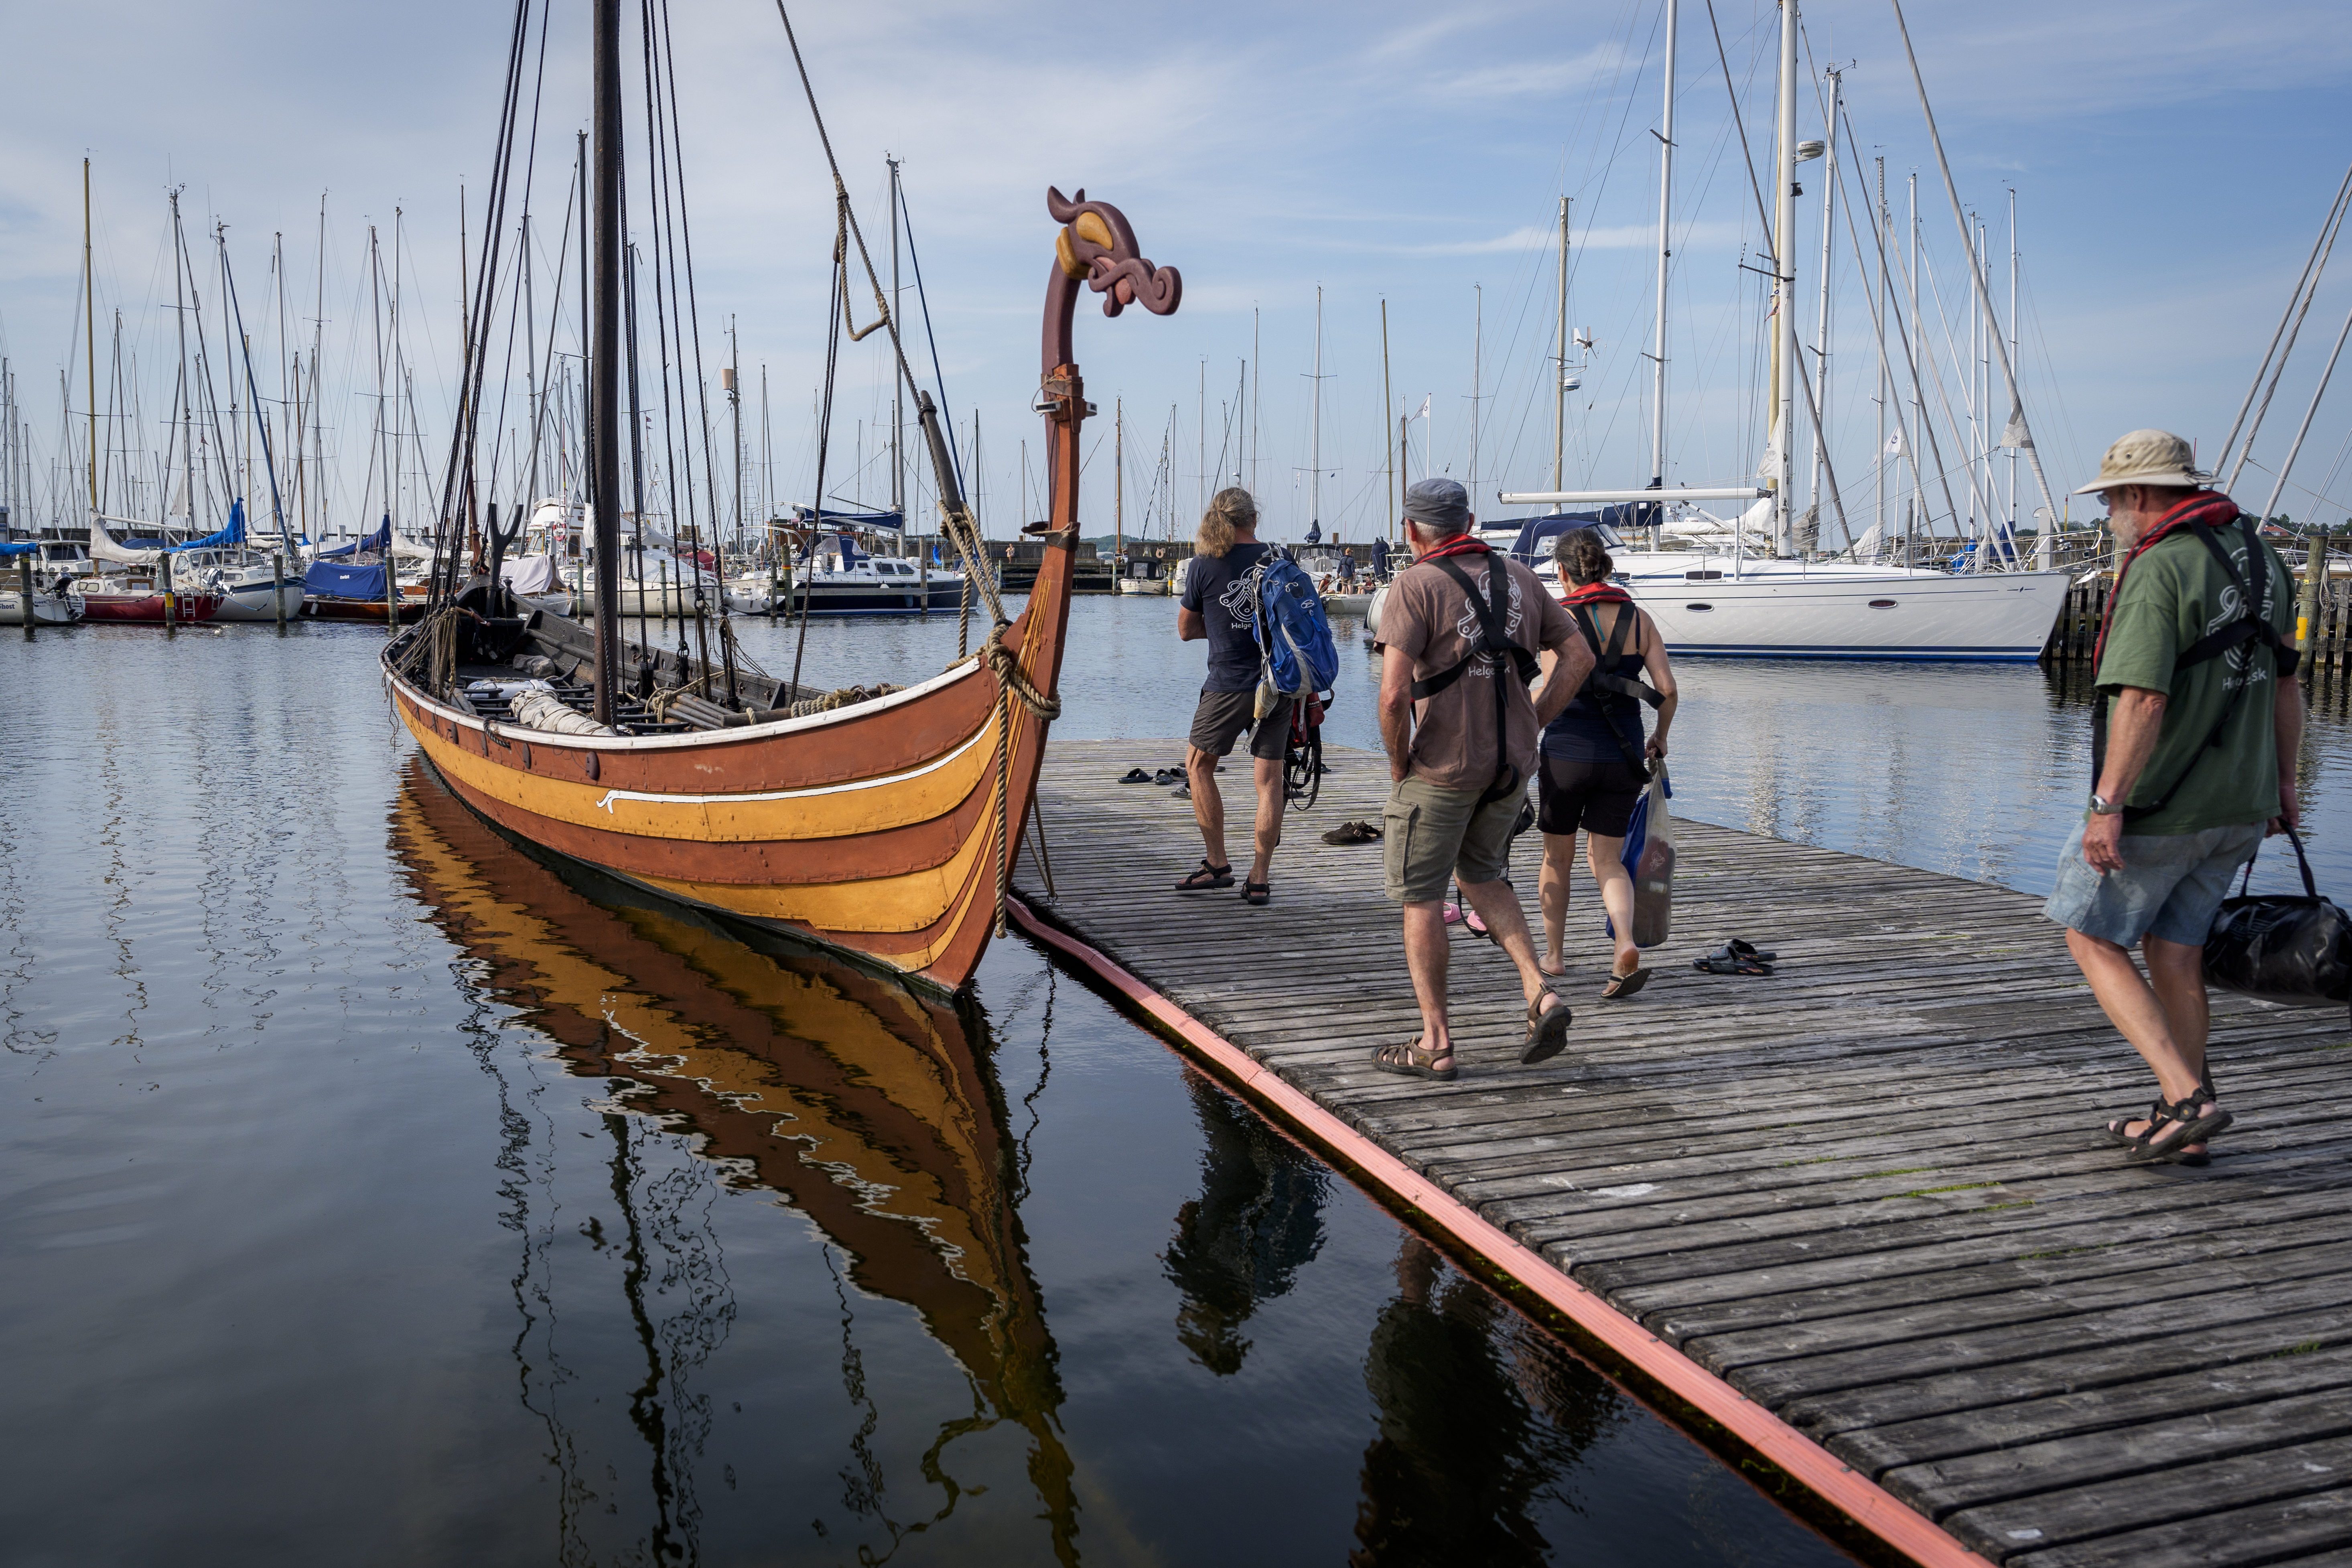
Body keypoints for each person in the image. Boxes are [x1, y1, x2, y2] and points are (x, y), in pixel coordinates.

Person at [2045, 430, 2299, 1165]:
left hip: (2164, 806)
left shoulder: (2158, 567)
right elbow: (2286, 683)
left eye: (2109, 503)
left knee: (2088, 936)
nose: (2107, 517)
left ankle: (2187, 1098)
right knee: (2175, 953)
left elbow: (2142, 699)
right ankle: (2176, 1119)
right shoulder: (2262, 559)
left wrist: (2107, 806)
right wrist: (2284, 785)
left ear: (2137, 494)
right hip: (2239, 804)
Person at [1372, 478, 1593, 1080]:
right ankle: (1539, 991)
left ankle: (1435, 1043)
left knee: (1421, 896)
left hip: (1443, 768)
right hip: (1510, 769)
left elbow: (1392, 695)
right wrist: (1534, 724)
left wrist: (1398, 763)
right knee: (1482, 876)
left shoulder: (1414, 584)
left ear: (1410, 529)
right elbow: (1579, 657)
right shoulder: (1519, 576)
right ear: (1468, 522)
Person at [1535, 528, 1677, 996]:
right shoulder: (1639, 619)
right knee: (1608, 861)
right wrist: (1660, 736)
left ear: (1562, 572)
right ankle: (1624, 943)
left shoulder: (1558, 620)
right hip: (1623, 755)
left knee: (1557, 859)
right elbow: (1667, 690)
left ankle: (1554, 957)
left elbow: (1549, 690)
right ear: (1605, 566)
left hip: (1566, 754)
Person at [1175, 487, 1289, 905]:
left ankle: (1217, 864)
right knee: (1270, 781)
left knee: (1198, 765)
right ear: (1253, 519)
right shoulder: (1279, 558)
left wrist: (1222, 627)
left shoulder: (1204, 564)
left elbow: (1186, 629)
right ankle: (1259, 879)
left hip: (1228, 683)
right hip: (1279, 681)